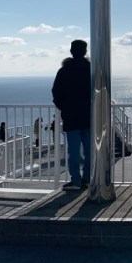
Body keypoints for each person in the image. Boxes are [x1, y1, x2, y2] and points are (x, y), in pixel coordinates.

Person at [52, 39, 91, 191]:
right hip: (89, 116)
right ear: (85, 51)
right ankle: (87, 178)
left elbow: (56, 92)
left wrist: (64, 107)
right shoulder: (91, 69)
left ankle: (76, 181)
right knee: (89, 151)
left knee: (73, 151)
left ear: (71, 51)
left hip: (71, 117)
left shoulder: (64, 71)